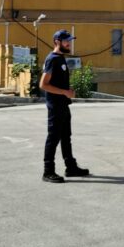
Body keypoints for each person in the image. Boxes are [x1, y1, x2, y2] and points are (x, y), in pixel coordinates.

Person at [40, 29, 90, 183]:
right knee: (53, 138)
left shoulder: (61, 58)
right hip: (55, 106)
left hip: (63, 105)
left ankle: (71, 167)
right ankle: (48, 171)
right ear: (57, 42)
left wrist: (67, 93)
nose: (69, 43)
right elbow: (43, 84)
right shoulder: (52, 59)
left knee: (66, 137)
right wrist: (64, 92)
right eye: (66, 41)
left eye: (70, 40)